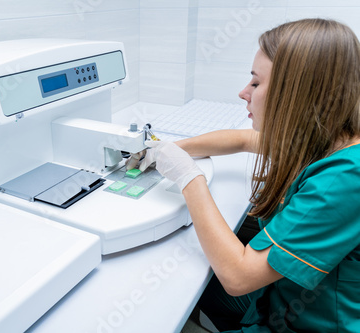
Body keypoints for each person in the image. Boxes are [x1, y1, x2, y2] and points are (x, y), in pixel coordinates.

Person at [132, 18, 360, 332]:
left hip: (309, 323)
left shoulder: (347, 177)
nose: (243, 92)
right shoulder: (326, 136)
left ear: (296, 93)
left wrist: (188, 177)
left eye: (255, 82)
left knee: (173, 289)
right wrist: (165, 151)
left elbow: (237, 277)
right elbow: (239, 139)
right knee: (188, 276)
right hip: (282, 298)